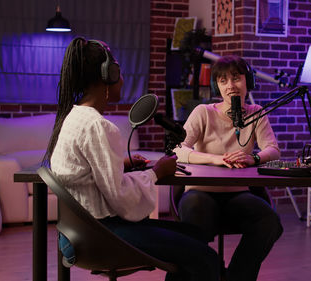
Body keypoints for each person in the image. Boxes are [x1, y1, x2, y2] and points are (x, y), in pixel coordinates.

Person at [43, 37, 220, 281]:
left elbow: (84, 172)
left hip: (79, 233)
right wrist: (156, 171)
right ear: (109, 75)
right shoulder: (98, 126)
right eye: (120, 72)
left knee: (194, 235)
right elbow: (120, 197)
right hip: (104, 234)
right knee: (205, 258)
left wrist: (120, 164)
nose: (123, 79)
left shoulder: (73, 118)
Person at [173, 55, 284, 281]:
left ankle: (235, 277)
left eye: (236, 78)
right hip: (200, 192)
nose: (230, 86)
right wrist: (215, 159)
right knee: (196, 215)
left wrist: (253, 158)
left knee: (270, 222)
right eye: (223, 80)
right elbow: (177, 149)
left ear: (247, 81)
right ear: (217, 86)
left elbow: (273, 149)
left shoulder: (256, 113)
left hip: (237, 194)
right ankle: (208, 273)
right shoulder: (203, 112)